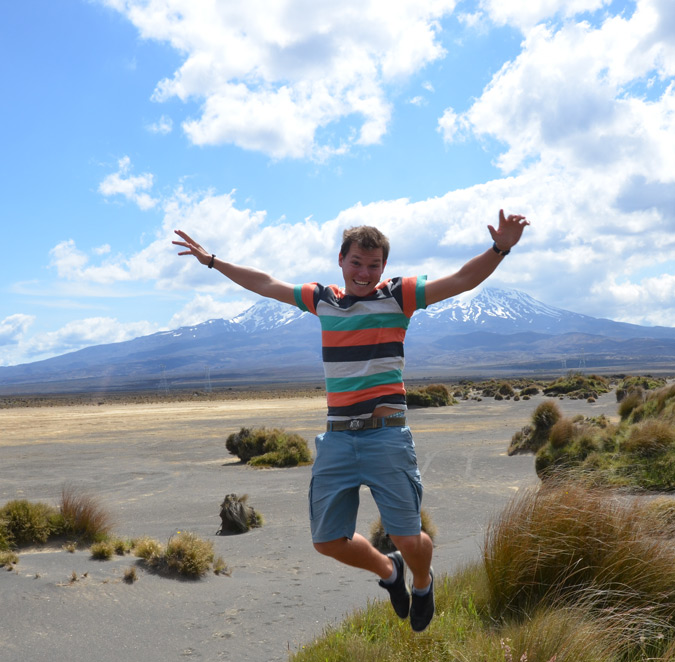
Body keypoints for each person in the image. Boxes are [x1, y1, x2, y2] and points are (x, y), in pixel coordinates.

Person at [171, 210, 530, 631]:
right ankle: (389, 572)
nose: (364, 272)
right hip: (337, 440)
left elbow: (462, 279)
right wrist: (212, 261)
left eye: (374, 264)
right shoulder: (322, 299)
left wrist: (500, 247)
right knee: (326, 541)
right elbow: (265, 284)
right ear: (341, 261)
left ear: (384, 267)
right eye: (357, 262)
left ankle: (420, 580)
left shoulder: (400, 296)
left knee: (409, 537)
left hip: (386, 437)